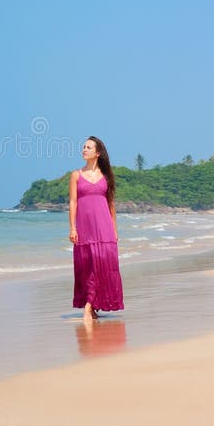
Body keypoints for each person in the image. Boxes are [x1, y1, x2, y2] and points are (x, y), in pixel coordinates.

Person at [69, 135, 124, 320]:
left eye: (89, 147)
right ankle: (90, 304)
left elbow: (111, 205)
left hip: (104, 228)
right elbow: (73, 202)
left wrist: (115, 230)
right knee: (87, 266)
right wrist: (72, 228)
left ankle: (89, 305)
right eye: (83, 146)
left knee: (103, 266)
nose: (84, 149)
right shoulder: (76, 175)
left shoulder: (106, 176)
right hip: (84, 229)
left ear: (98, 153)